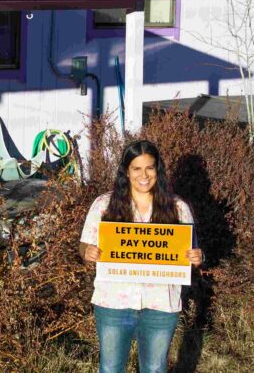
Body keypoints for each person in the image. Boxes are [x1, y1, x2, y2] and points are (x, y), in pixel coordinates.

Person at [78, 140, 203, 373]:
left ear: (158, 170)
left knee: (155, 369)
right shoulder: (103, 205)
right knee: (110, 368)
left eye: (150, 167)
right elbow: (84, 246)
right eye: (136, 168)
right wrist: (88, 252)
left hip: (161, 305)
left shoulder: (178, 208)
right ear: (126, 171)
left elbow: (191, 253)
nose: (143, 175)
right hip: (113, 303)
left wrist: (197, 257)